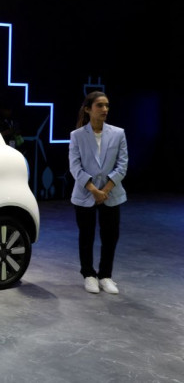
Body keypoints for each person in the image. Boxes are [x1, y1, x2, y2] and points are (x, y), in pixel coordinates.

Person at [68, 91, 128, 295]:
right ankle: (88, 275)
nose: (105, 110)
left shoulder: (118, 133)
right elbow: (75, 167)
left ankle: (105, 276)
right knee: (86, 235)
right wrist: (94, 190)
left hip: (111, 193)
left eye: (107, 106)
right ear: (88, 109)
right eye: (100, 106)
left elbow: (122, 164)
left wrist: (105, 190)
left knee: (110, 236)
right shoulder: (76, 136)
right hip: (86, 194)